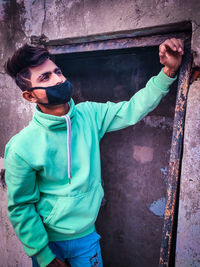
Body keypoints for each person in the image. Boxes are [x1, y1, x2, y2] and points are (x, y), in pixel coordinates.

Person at [4, 38, 184, 267]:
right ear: (30, 96)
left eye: (57, 71)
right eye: (45, 77)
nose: (59, 78)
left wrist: (168, 71)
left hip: (86, 237)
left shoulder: (89, 115)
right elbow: (21, 206)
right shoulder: (21, 147)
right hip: (48, 243)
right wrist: (44, 255)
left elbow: (132, 109)